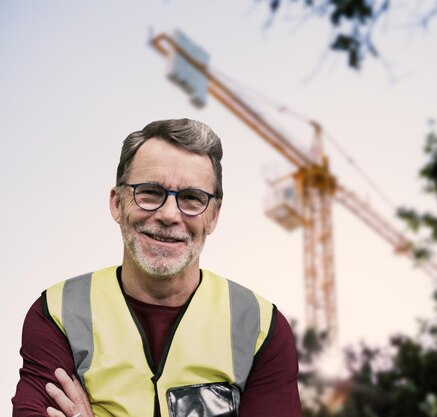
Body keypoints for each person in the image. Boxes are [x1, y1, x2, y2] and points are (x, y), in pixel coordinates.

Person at [12, 119, 303, 417]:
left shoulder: (260, 327)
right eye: (149, 191)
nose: (168, 214)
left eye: (192, 198)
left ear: (213, 216)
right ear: (116, 203)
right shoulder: (57, 313)